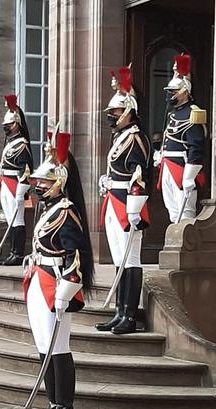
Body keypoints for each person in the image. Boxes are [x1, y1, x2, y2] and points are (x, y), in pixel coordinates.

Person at [23, 129, 94, 409]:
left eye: (45, 183)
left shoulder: (66, 212)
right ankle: (53, 405)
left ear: (60, 183)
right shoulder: (49, 210)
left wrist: (66, 291)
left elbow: (75, 256)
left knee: (59, 347)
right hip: (40, 278)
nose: (39, 187)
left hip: (56, 283)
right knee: (44, 345)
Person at [97, 66, 152, 335]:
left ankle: (130, 315)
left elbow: (139, 176)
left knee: (131, 260)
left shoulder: (136, 138)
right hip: (113, 199)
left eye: (116, 112)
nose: (112, 116)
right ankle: (119, 312)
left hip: (128, 206)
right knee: (119, 259)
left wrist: (134, 209)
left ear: (128, 111)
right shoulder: (119, 136)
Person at [155, 54, 207, 223]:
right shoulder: (173, 114)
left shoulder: (193, 113)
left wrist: (189, 176)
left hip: (182, 168)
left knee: (185, 214)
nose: (170, 94)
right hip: (168, 167)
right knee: (173, 212)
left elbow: (196, 147)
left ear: (184, 91)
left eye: (174, 91)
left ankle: (183, 248)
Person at [0, 94, 33, 266]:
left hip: (14, 186)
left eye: (9, 125)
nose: (6, 128)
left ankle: (18, 253)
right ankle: (12, 252)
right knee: (10, 220)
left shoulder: (21, 144)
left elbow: (25, 169)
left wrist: (21, 191)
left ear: (17, 124)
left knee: (17, 221)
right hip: (5, 182)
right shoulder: (10, 143)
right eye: (5, 125)